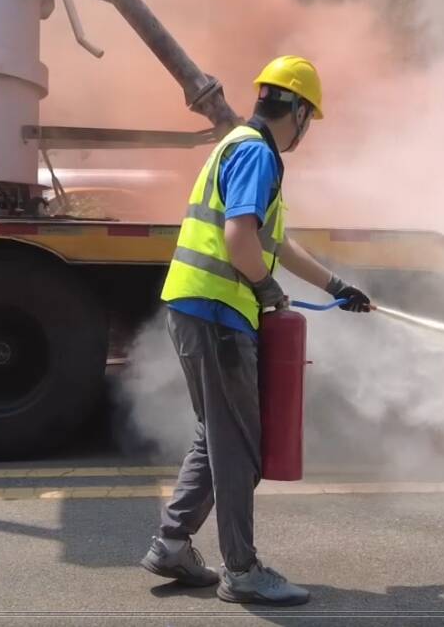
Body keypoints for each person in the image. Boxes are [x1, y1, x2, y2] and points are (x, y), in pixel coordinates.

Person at [140, 55, 373, 606]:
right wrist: (267, 290)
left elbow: (274, 242)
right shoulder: (255, 154)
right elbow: (240, 239)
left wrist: (336, 285)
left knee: (214, 434)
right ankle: (241, 570)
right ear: (295, 110)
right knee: (240, 448)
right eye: (308, 118)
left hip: (197, 309)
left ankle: (173, 544)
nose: (305, 131)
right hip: (218, 315)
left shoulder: (238, 146)